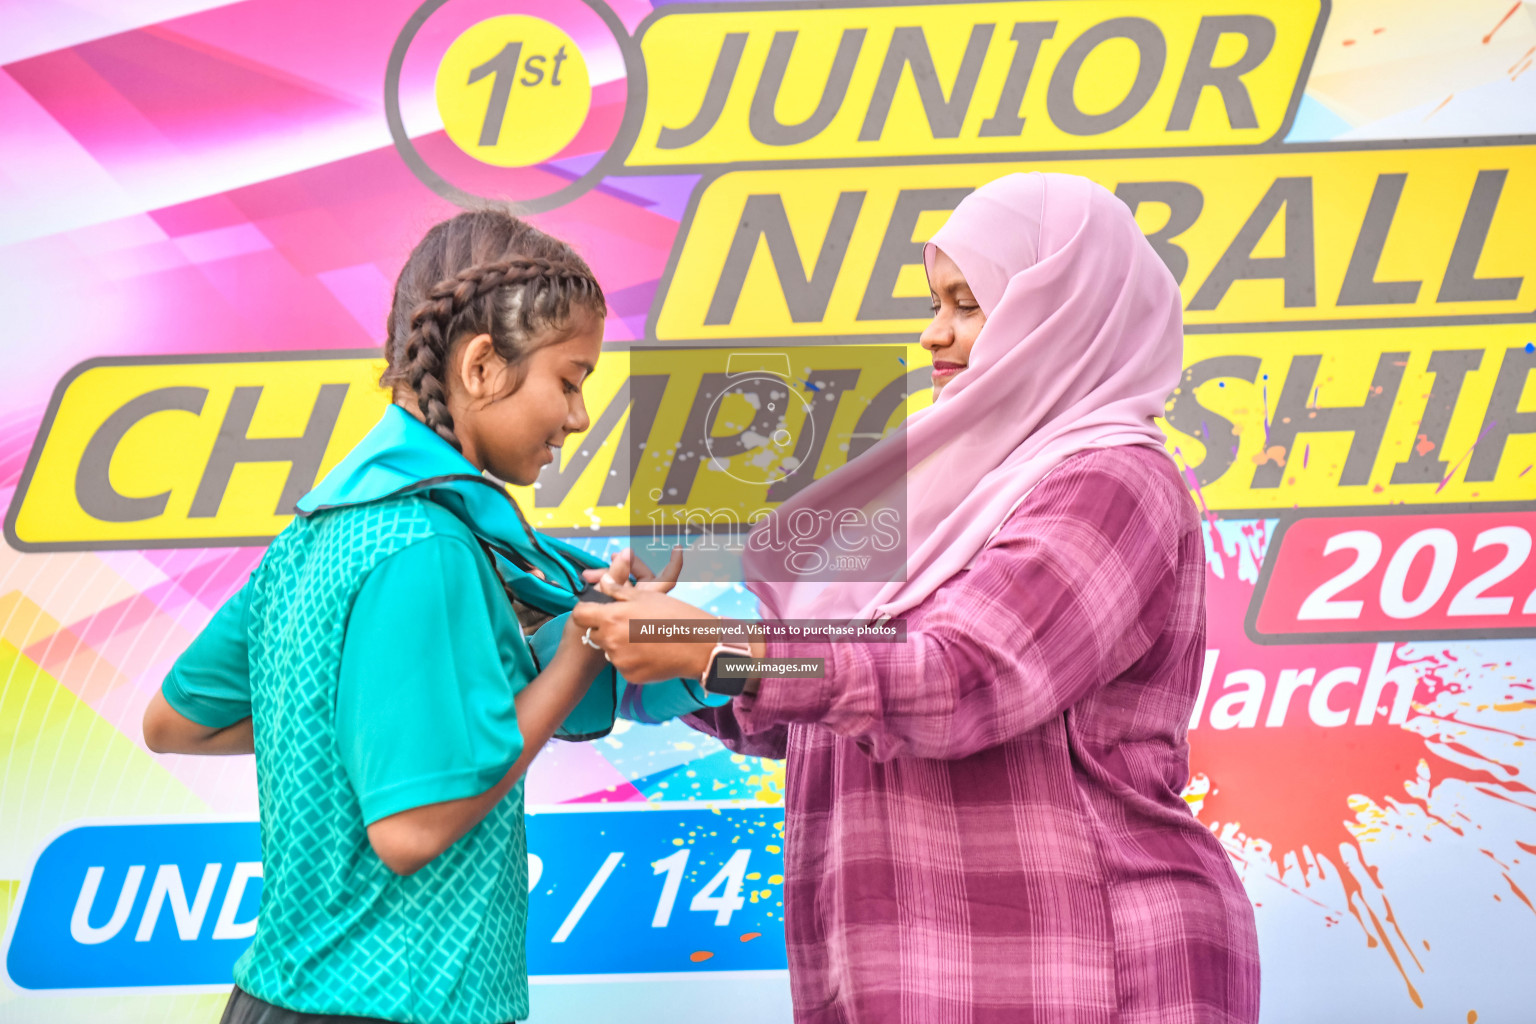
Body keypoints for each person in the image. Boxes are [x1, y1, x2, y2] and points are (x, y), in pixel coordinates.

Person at [573, 173, 1262, 1023]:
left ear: (1065, 313)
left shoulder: (1114, 478)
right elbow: (826, 713)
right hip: (921, 971)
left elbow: (959, 679)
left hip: (1090, 971)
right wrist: (635, 645)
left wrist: (721, 650)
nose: (934, 334)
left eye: (968, 305)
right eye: (938, 303)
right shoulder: (944, 492)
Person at [141, 208, 719, 1024]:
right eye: (570, 380)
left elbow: (176, 721)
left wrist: (408, 710)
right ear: (482, 365)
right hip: (396, 1008)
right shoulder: (428, 547)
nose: (579, 417)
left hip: (279, 997)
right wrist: (575, 656)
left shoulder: (317, 533)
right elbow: (412, 828)